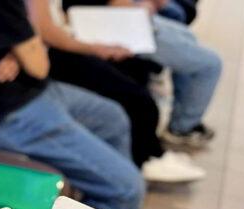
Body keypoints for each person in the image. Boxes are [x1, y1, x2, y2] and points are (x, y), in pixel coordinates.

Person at [0, 0, 179, 209]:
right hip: (6, 111)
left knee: (113, 117)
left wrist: (20, 49)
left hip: (33, 89)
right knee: (127, 187)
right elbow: (39, 64)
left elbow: (35, 38)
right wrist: (27, 47)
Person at [29, 0, 207, 183]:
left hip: (66, 36)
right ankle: (145, 158)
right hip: (50, 54)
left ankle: (149, 153)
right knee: (138, 99)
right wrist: (92, 47)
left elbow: (51, 19)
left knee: (137, 69)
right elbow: (44, 32)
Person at [63, 0, 223, 149]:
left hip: (117, 17)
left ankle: (182, 120)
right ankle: (182, 128)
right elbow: (120, 7)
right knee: (211, 64)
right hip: (111, 21)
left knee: (187, 33)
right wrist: (140, 8)